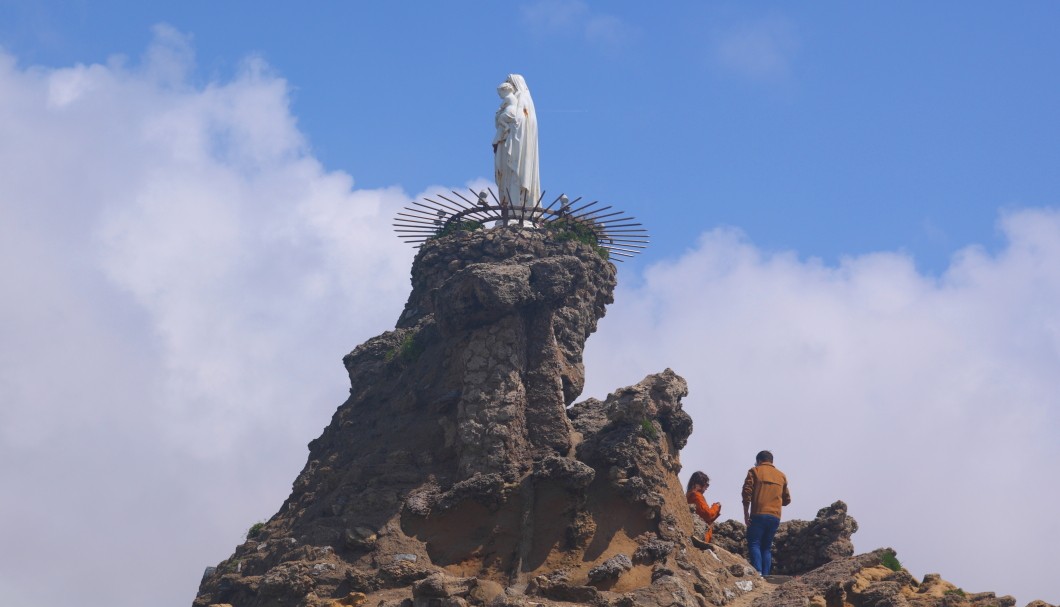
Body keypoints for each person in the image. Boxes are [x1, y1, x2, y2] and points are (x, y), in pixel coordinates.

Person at [492, 74, 540, 223]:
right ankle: (508, 211)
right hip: (507, 142)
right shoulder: (513, 99)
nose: (507, 85)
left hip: (519, 147)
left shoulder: (524, 99)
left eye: (509, 82)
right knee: (506, 177)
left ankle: (518, 212)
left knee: (516, 178)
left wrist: (506, 117)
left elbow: (522, 120)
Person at [742, 450, 791, 576]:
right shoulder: (781, 476)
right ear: (771, 461)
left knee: (754, 543)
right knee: (767, 547)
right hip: (775, 516)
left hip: (758, 513)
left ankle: (758, 572)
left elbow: (747, 492)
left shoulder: (755, 471)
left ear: (759, 461)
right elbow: (787, 500)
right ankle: (766, 574)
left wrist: (746, 513)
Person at [686, 471, 721, 544]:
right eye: (706, 485)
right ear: (698, 484)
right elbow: (707, 514)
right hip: (701, 536)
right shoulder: (696, 495)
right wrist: (716, 506)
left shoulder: (688, 496)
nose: (706, 488)